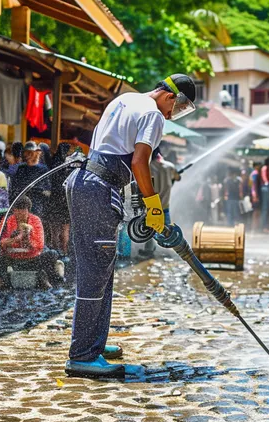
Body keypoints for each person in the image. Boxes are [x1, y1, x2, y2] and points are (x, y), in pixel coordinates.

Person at [64, 73, 196, 379]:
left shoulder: (125, 99)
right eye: (177, 109)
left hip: (86, 182)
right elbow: (139, 162)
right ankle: (82, 355)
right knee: (96, 270)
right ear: (170, 97)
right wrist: (153, 204)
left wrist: (139, 199)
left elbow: (112, 149)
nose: (170, 115)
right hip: (99, 187)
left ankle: (93, 343)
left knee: (101, 268)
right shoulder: (154, 114)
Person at [0, 195, 65, 289]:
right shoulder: (7, 220)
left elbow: (39, 246)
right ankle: (2, 279)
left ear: (28, 211)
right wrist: (17, 238)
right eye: (18, 212)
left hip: (32, 258)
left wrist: (28, 238)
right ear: (14, 210)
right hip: (12, 258)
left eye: (23, 212)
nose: (20, 215)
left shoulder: (35, 220)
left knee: (52, 254)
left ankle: (49, 277)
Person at [9, 142, 50, 217]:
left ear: (36, 153)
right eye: (26, 152)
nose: (28, 155)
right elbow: (15, 186)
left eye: (30, 152)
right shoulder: (21, 168)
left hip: (36, 204)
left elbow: (47, 190)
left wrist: (37, 190)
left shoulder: (43, 169)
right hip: (22, 204)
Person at [47, 142, 74, 254]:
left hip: (54, 200)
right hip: (66, 201)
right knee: (65, 228)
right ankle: (65, 252)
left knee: (54, 228)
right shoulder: (69, 166)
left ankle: (55, 251)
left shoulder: (54, 164)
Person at [150, 145, 180, 225]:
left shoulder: (146, 167)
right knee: (166, 234)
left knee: (151, 234)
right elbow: (178, 178)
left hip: (151, 209)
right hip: (164, 207)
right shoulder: (170, 166)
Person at [259, 157, 269, 232]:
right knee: (265, 208)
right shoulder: (265, 168)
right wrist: (267, 182)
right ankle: (263, 226)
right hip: (266, 187)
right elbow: (264, 177)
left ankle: (267, 226)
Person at [249, 161, 262, 231]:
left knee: (257, 212)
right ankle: (254, 228)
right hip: (255, 195)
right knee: (256, 212)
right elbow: (253, 185)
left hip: (254, 194)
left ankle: (255, 228)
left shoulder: (253, 174)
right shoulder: (255, 174)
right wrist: (255, 195)